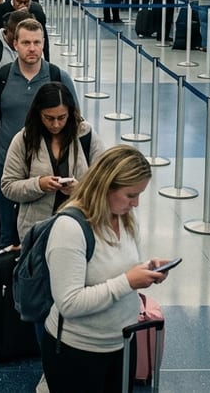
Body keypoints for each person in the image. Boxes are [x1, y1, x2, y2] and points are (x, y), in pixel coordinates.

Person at [41, 145, 172, 393]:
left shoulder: (124, 217)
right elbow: (69, 303)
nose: (136, 203)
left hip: (122, 342)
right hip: (78, 352)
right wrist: (129, 281)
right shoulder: (70, 228)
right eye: (131, 195)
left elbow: (116, 268)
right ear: (106, 187)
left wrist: (146, 269)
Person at [0, 18, 77, 248]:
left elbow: (75, 124)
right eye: (26, 42)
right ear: (15, 44)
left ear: (43, 44)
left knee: (51, 236)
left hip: (51, 168)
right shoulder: (0, 79)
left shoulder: (58, 78)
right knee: (8, 232)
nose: (32, 48)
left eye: (37, 43)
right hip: (9, 167)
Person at [1, 81, 97, 240]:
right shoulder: (24, 140)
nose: (56, 124)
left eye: (62, 117)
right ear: (38, 114)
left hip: (80, 228)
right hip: (36, 233)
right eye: (49, 118)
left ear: (70, 113)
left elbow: (105, 182)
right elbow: (8, 185)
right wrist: (38, 185)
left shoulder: (86, 136)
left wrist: (80, 189)